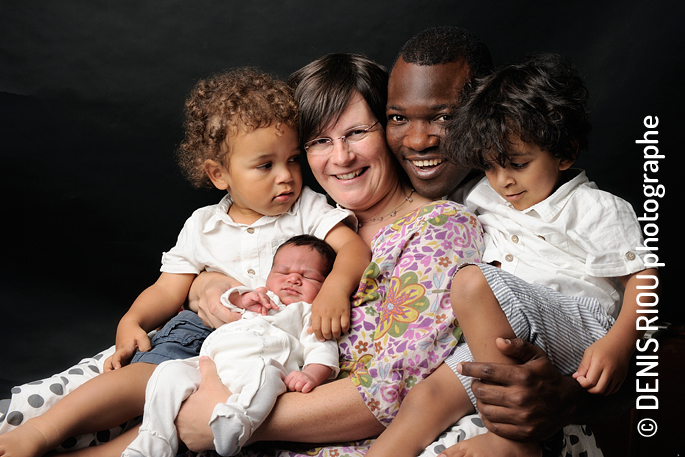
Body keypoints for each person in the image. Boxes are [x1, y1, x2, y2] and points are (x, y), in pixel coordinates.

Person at [0, 67, 369, 457]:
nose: (287, 177)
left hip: (269, 348)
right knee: (139, 383)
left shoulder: (306, 208)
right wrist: (133, 321)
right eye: (265, 165)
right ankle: (40, 432)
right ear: (219, 174)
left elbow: (354, 249)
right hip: (196, 336)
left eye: (293, 159)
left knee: (172, 427)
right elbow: (167, 288)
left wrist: (333, 290)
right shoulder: (204, 225)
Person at [173, 52, 484, 457]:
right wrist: (205, 284)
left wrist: (233, 418)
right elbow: (217, 261)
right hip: (216, 380)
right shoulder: (296, 215)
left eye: (357, 132)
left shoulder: (440, 228)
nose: (341, 157)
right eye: (319, 141)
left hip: (312, 436)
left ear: (389, 130)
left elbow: (394, 390)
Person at [367, 53, 659, 457]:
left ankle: (514, 442)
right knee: (426, 397)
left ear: (565, 153)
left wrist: (622, 342)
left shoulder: (597, 208)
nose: (503, 180)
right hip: (505, 338)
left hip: (580, 331)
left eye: (518, 164)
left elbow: (645, 277)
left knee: (471, 281)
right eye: (489, 166)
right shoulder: (481, 193)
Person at [123, 235, 341, 457]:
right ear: (269, 275)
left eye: (308, 276)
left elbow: (323, 350)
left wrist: (312, 375)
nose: (293, 279)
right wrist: (241, 300)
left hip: (252, 373)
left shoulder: (309, 313)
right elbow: (225, 301)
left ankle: (236, 423)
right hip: (208, 365)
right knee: (168, 371)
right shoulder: (260, 296)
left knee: (267, 374)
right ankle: (154, 438)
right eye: (284, 272)